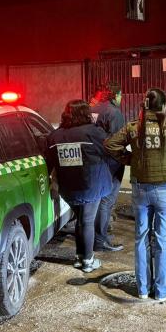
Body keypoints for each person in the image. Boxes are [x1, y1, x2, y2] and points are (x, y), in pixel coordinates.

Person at [105, 88, 166, 301]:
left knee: (141, 238)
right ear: (163, 105)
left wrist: (130, 159)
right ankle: (161, 290)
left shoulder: (135, 126)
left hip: (141, 190)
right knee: (163, 239)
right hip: (165, 191)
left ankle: (142, 289)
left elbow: (110, 144)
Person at [46, 99, 114, 273]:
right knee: (88, 220)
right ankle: (88, 261)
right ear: (85, 113)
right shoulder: (94, 132)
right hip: (91, 185)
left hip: (69, 188)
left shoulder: (56, 136)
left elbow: (50, 160)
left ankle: (79, 256)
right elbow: (109, 150)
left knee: (81, 219)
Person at [90, 81, 126, 253]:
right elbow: (118, 141)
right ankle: (100, 240)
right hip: (111, 163)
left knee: (98, 200)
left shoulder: (93, 110)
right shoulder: (114, 113)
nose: (121, 98)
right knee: (107, 200)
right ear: (115, 96)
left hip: (94, 160)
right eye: (120, 95)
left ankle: (98, 235)